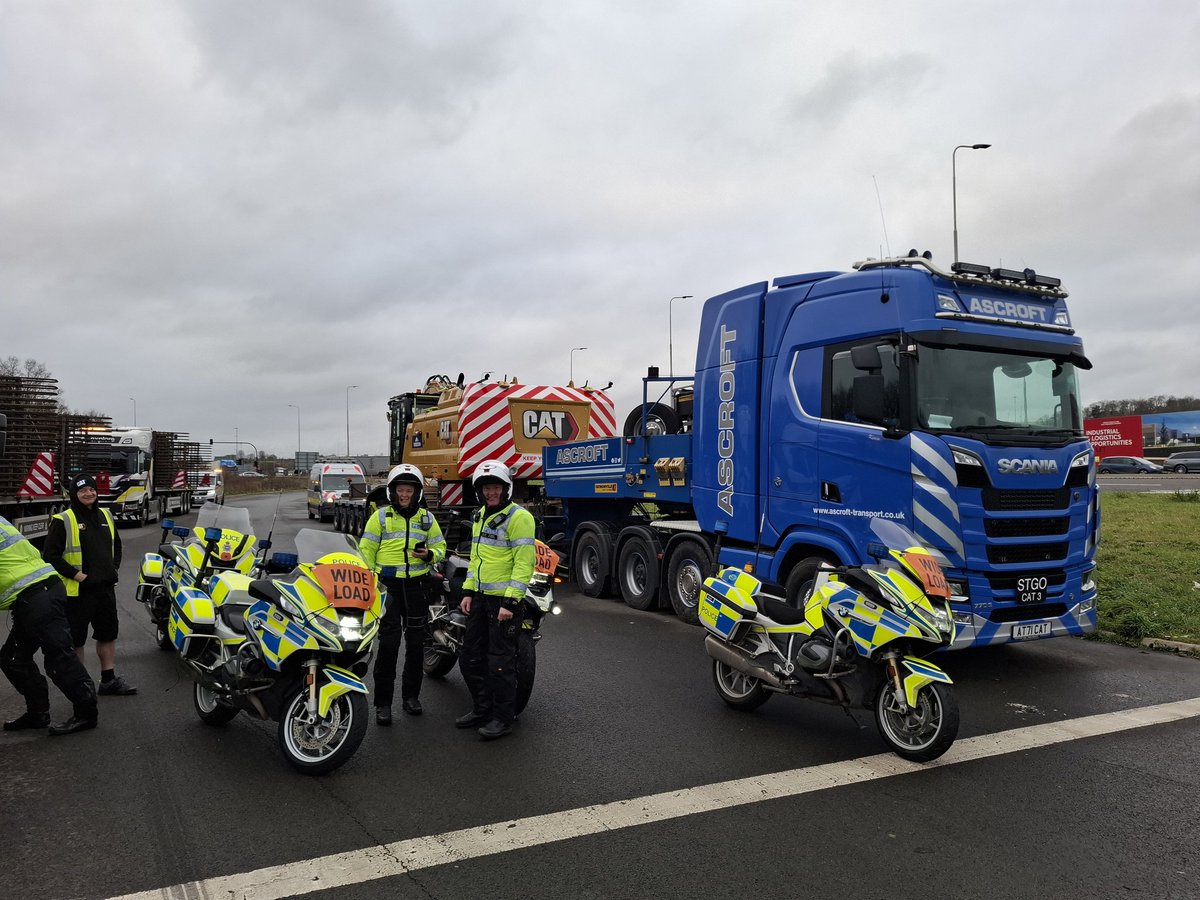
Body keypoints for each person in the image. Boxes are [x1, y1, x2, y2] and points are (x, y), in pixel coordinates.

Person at [456, 460, 537, 741]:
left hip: (503, 602)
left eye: (496, 488)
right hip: (479, 598)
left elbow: (524, 564)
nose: (491, 493)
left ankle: (503, 718)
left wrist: (511, 602)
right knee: (469, 658)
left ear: (506, 489)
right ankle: (482, 708)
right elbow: (476, 559)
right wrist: (467, 592)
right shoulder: (480, 515)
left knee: (499, 663)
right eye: (487, 488)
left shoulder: (519, 518)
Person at [359, 464, 445, 725]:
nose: (404, 494)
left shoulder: (427, 519)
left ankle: (411, 697)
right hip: (388, 588)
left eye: (409, 490)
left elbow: (441, 546)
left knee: (416, 645)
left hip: (417, 587)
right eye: (400, 490)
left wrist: (430, 555)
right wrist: (372, 581)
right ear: (392, 492)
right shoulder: (381, 518)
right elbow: (366, 551)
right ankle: (383, 704)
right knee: (388, 646)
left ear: (417, 492)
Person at [1, 515, 99, 736]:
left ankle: (86, 714)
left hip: (38, 595)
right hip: (35, 594)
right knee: (14, 659)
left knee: (59, 657)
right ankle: (38, 714)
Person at [42, 474, 136, 696]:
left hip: (104, 589)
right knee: (76, 640)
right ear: (75, 494)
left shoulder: (106, 515)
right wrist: (77, 575)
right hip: (78, 592)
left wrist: (114, 568)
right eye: (83, 491)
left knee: (107, 634)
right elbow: (50, 556)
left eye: (92, 490)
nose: (89, 494)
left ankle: (108, 680)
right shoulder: (63, 519)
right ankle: (81, 686)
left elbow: (117, 545)